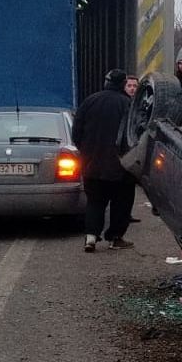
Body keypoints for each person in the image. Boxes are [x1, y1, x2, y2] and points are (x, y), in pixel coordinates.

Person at [72, 68, 136, 252]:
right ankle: (115, 238)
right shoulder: (128, 105)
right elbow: (136, 134)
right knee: (121, 203)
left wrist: (85, 151)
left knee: (94, 202)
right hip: (121, 167)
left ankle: (90, 237)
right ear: (123, 84)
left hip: (92, 165)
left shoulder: (90, 101)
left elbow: (77, 131)